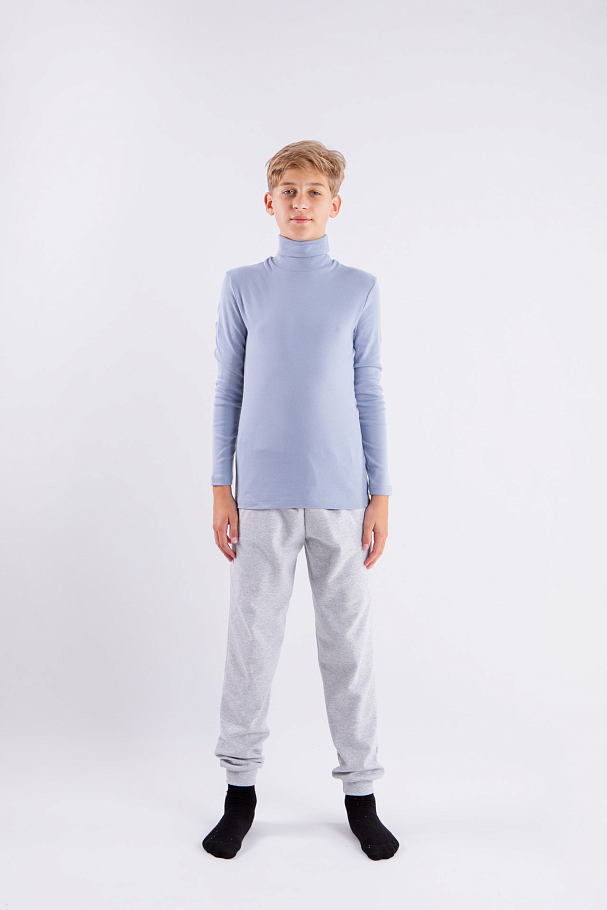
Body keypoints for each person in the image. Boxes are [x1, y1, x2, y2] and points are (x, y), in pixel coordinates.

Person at [202, 139, 399, 861]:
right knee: (251, 645)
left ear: (334, 204)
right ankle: (239, 793)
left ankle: (361, 795)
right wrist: (221, 489)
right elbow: (227, 389)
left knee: (347, 649)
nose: (300, 202)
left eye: (314, 192)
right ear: (269, 201)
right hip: (260, 496)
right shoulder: (242, 286)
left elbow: (369, 391)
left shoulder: (360, 290)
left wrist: (381, 493)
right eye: (288, 190)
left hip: (342, 497)